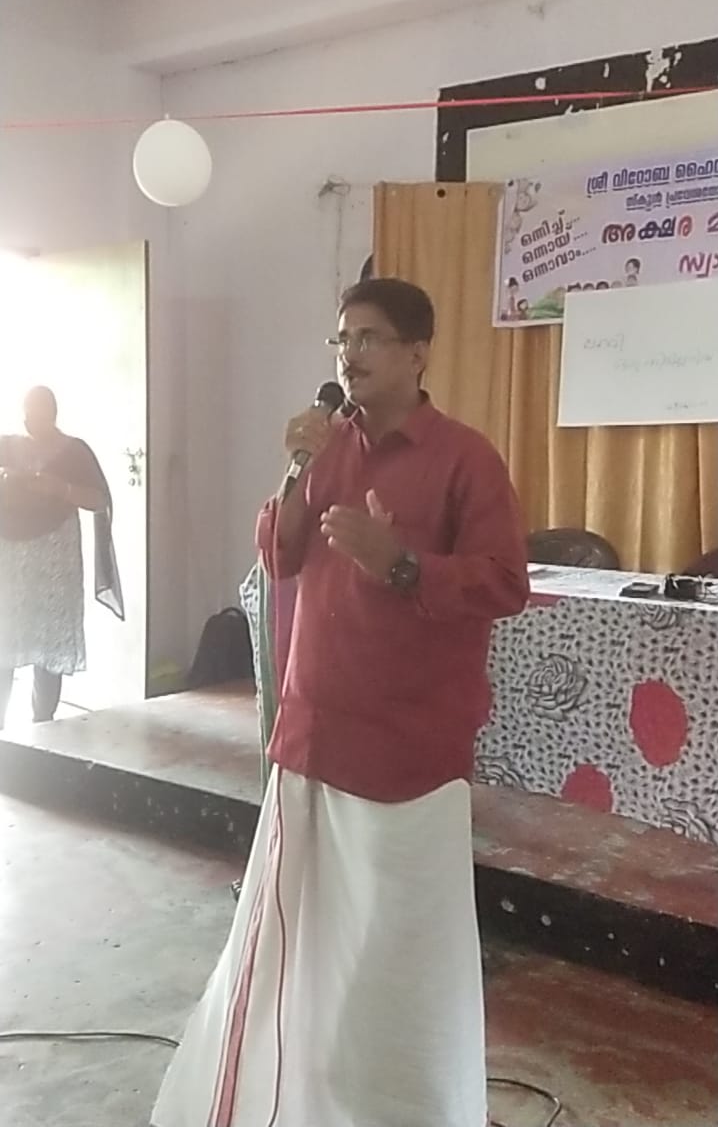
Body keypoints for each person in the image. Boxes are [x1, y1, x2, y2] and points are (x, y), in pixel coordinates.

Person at [152, 279, 529, 1127]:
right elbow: (280, 556)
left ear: (418, 352)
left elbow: (505, 582)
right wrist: (293, 471)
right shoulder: (324, 447)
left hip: (407, 754)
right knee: (292, 948)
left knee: (393, 961)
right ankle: (288, 1096)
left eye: (368, 337)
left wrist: (401, 563)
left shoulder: (465, 459)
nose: (349, 355)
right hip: (313, 737)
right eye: (341, 339)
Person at [0, 387, 123, 728]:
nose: (28, 420)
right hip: (10, 561)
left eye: (36, 413)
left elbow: (99, 499)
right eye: (25, 412)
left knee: (48, 641)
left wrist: (60, 489)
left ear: (52, 414)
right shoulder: (6, 444)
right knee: (4, 638)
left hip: (54, 560)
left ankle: (43, 723)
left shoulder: (74, 452)